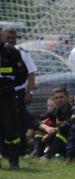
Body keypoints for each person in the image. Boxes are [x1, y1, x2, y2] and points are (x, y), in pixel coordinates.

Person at [2, 27, 37, 158]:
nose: (10, 40)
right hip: (3, 92)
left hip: (18, 92)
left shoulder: (22, 53)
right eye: (7, 38)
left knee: (18, 122)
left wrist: (29, 92)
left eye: (13, 38)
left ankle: (20, 151)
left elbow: (31, 74)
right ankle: (4, 151)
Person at [0, 26, 28, 170]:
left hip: (6, 95)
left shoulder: (11, 51)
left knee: (10, 128)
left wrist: (8, 85)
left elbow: (22, 73)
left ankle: (13, 161)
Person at [34, 87, 73, 160]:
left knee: (60, 135)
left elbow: (68, 124)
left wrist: (51, 132)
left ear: (67, 97)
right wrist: (40, 126)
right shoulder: (54, 111)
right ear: (54, 100)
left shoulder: (73, 110)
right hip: (57, 140)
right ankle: (37, 156)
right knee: (39, 131)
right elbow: (40, 118)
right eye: (56, 98)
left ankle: (47, 157)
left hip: (71, 141)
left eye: (61, 97)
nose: (59, 100)